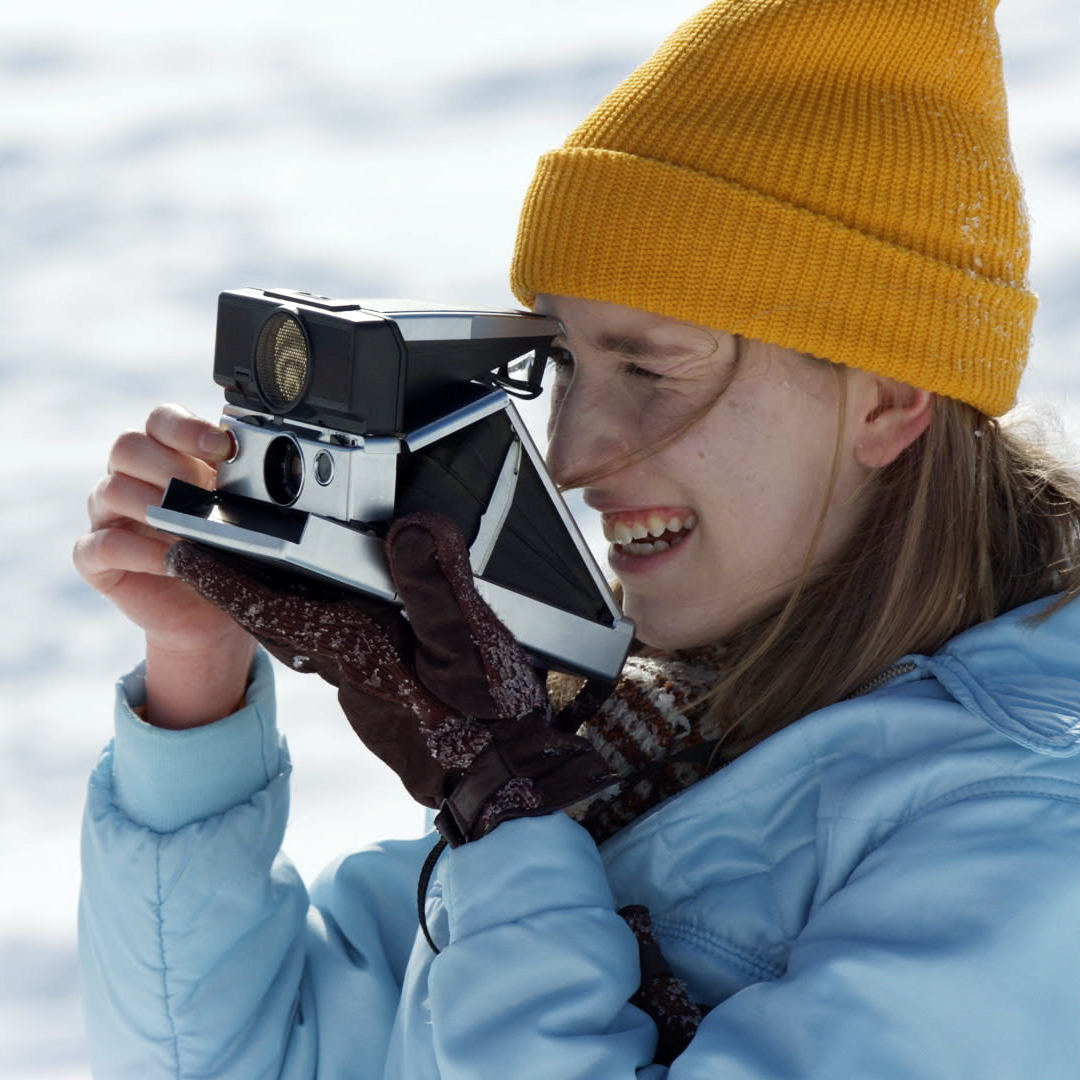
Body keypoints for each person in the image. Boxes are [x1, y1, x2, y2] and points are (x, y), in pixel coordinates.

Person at [74, 0, 1080, 1076]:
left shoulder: (1022, 832)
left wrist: (508, 819)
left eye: (648, 370)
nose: (572, 454)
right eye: (564, 371)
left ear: (886, 398)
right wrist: (198, 680)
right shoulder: (645, 744)